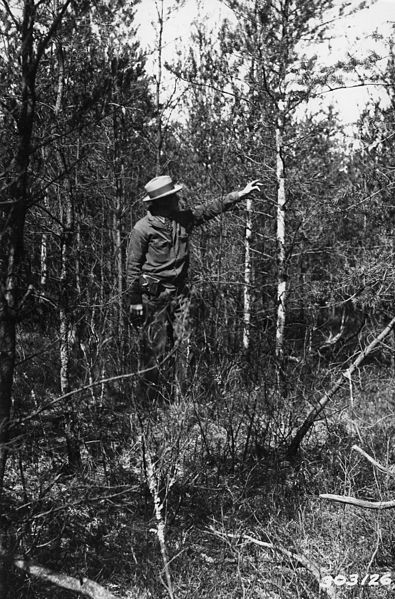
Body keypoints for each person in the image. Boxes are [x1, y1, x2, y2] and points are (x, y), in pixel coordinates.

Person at [127, 175, 262, 405]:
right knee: (154, 352)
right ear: (160, 202)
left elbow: (210, 209)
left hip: (181, 296)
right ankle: (148, 408)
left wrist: (239, 195)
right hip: (154, 297)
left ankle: (181, 403)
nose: (177, 199)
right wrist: (135, 301)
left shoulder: (182, 220)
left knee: (185, 348)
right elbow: (132, 268)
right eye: (172, 197)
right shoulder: (142, 229)